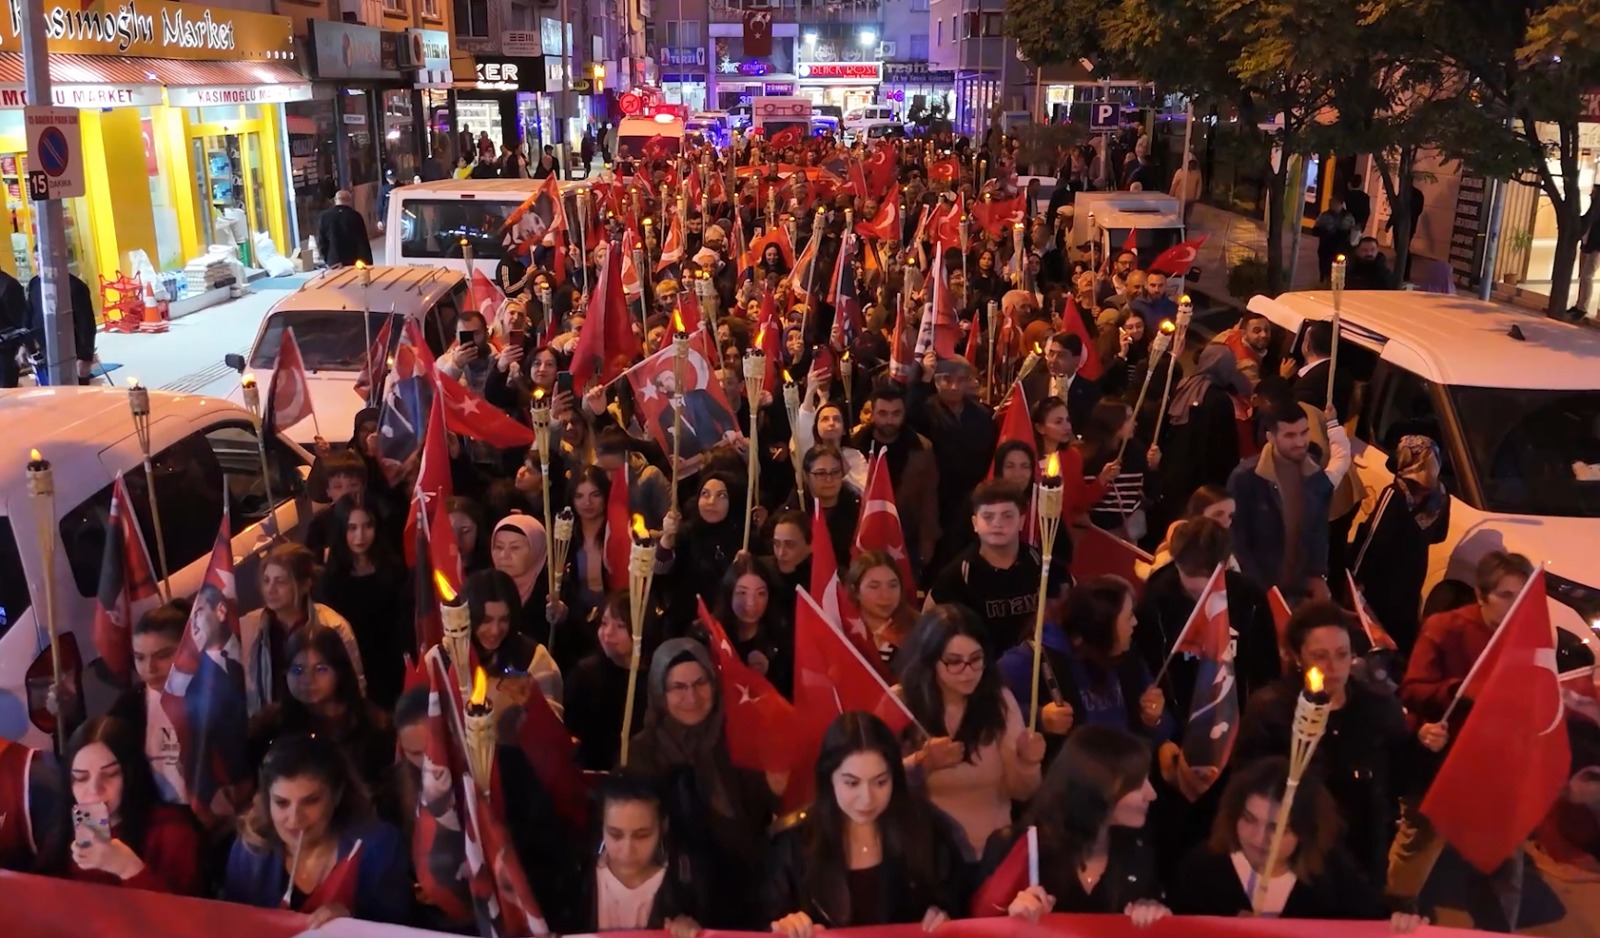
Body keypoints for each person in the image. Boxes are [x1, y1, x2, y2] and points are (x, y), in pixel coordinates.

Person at [1236, 601, 1416, 884]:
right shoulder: (1271, 710)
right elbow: (1248, 783)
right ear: (1297, 657)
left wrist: (1425, 748)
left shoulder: (1378, 708)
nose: (1333, 667)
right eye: (1320, 656)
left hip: (1363, 858)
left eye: (1342, 655)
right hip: (1294, 859)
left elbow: (1402, 777)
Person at [765, 713, 970, 936]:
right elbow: (762, 922)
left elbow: (960, 900)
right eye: (852, 783)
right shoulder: (792, 842)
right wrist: (786, 925)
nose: (867, 799)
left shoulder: (925, 827)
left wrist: (945, 914)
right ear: (828, 778)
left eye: (880, 782)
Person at [625, 638, 776, 928]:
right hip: (683, 906)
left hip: (751, 897)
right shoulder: (644, 751)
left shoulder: (740, 734)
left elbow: (764, 821)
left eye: (700, 683)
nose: (692, 697)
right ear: (659, 692)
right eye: (678, 687)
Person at [1168, 757, 1421, 928]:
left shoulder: (1329, 873)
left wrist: (1401, 921)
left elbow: (1374, 921)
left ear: (1305, 830)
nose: (1259, 839)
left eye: (1278, 828)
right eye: (1249, 819)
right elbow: (1172, 924)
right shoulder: (1201, 867)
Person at [898, 605, 1044, 860]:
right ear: (929, 660)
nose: (968, 672)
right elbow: (878, 785)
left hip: (991, 855)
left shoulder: (1000, 700)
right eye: (954, 662)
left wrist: (1028, 762)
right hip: (926, 857)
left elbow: (1022, 791)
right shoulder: (900, 703)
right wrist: (922, 763)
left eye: (976, 659)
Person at [223, 733, 412, 925]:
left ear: (337, 796)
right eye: (281, 803)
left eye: (311, 801)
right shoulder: (251, 849)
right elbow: (232, 926)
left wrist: (353, 922)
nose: (295, 819)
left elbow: (400, 927)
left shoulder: (379, 847)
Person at [991, 726, 1167, 922]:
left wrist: (1154, 913)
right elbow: (978, 925)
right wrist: (1011, 920)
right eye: (1137, 784)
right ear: (1097, 787)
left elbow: (1154, 910)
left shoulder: (1137, 848)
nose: (1152, 794)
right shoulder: (1017, 847)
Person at [246, 626, 398, 821]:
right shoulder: (270, 725)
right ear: (285, 674)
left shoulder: (373, 725)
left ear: (340, 672)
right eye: (297, 670)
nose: (308, 680)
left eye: (321, 669)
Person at [61, 717, 203, 894]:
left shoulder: (172, 832)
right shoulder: (63, 828)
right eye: (81, 778)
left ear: (131, 775)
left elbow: (184, 916)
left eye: (110, 775)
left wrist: (128, 868)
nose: (94, 789)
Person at [928, 481, 1068, 654]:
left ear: (1021, 521)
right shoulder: (959, 573)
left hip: (1038, 665)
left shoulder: (1043, 563)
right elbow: (928, 623)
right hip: (982, 670)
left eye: (1007, 516)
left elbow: (1068, 608)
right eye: (988, 516)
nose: (997, 523)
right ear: (975, 523)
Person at [562, 772, 709, 934]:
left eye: (642, 835)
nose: (627, 851)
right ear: (602, 826)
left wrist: (688, 929)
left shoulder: (686, 882)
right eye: (615, 835)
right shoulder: (579, 875)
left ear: (663, 826)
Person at [1350, 435, 1451, 654]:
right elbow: (1439, 536)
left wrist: (1355, 578)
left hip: (1383, 577)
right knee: (1403, 628)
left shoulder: (1395, 493)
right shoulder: (1442, 495)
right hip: (1414, 574)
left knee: (1377, 630)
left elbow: (1372, 538)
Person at [1228, 399, 1334, 603]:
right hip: (1261, 592)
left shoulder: (1316, 478)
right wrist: (1260, 590)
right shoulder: (1247, 478)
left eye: (1304, 432)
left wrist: (1318, 575)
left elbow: (1319, 532)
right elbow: (1237, 540)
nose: (1300, 442)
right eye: (1290, 435)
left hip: (1299, 593)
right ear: (1271, 437)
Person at [239, 543, 364, 716]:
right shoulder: (247, 626)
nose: (270, 589)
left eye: (280, 582)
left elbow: (355, 685)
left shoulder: (332, 625)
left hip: (322, 726)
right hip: (270, 730)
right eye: (266, 581)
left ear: (305, 585)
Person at [316, 491, 410, 710]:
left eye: (367, 526)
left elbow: (403, 622)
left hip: (392, 668)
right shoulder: (331, 579)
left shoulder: (393, 569)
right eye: (352, 528)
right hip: (352, 669)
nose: (360, 536)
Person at [565, 593, 649, 771]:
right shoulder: (585, 675)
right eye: (604, 623)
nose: (607, 633)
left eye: (620, 626)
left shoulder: (654, 678)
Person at [25, 266, 97, 386]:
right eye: (36, 259)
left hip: (71, 351)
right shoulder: (35, 283)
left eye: (42, 259)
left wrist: (85, 357)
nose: (39, 264)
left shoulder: (75, 286)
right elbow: (28, 315)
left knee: (75, 394)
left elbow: (87, 324)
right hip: (44, 350)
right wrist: (26, 345)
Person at [316, 189, 373, 268]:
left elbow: (321, 241)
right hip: (353, 261)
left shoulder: (324, 216)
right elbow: (362, 241)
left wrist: (327, 258)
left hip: (333, 261)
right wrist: (367, 261)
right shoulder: (355, 216)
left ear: (336, 200)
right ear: (349, 200)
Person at [1312, 195, 1357, 282]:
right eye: (1330, 203)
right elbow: (1315, 229)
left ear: (1340, 204)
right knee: (1325, 264)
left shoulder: (1348, 217)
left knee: (1339, 263)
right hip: (1326, 245)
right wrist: (1323, 232)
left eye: (1334, 203)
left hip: (1341, 245)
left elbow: (1353, 231)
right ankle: (1324, 278)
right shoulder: (1324, 215)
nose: (1331, 205)